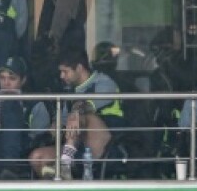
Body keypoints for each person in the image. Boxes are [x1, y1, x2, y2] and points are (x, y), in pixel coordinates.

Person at [29, 47, 126, 179]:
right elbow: (63, 121)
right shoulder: (71, 91)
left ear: (79, 68)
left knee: (82, 115)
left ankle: (64, 165)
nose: (61, 76)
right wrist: (55, 128)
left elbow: (88, 106)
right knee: (37, 157)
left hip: (106, 146)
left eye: (65, 71)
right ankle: (61, 190)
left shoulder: (104, 83)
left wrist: (76, 112)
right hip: (76, 147)